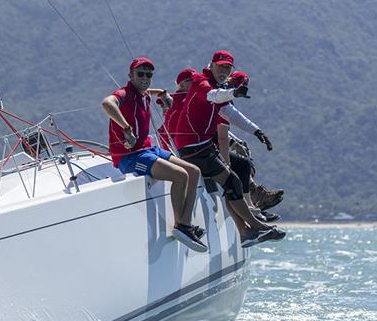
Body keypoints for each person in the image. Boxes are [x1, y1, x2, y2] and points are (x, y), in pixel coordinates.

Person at [171, 50, 285, 247]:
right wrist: (233, 92)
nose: (224, 70)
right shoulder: (201, 82)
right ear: (212, 65)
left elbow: (229, 112)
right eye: (221, 66)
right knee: (232, 181)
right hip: (192, 148)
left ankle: (249, 231)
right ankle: (254, 227)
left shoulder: (217, 88)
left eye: (228, 67)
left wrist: (257, 131)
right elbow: (213, 96)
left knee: (232, 183)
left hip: (201, 146)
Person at [102, 57, 207, 252]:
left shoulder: (143, 94)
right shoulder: (123, 94)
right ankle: (181, 226)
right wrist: (125, 127)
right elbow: (107, 103)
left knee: (194, 171)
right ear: (130, 76)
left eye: (148, 75)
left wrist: (163, 93)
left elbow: (149, 91)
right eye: (140, 74)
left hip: (148, 149)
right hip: (130, 157)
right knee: (180, 175)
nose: (144, 78)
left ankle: (186, 223)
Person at [221, 70, 282, 221]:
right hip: (209, 142)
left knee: (243, 153)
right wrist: (234, 142)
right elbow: (220, 126)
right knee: (242, 164)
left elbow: (229, 122)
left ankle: (255, 200)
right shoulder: (219, 95)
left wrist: (256, 132)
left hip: (217, 138)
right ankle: (255, 199)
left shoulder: (223, 97)